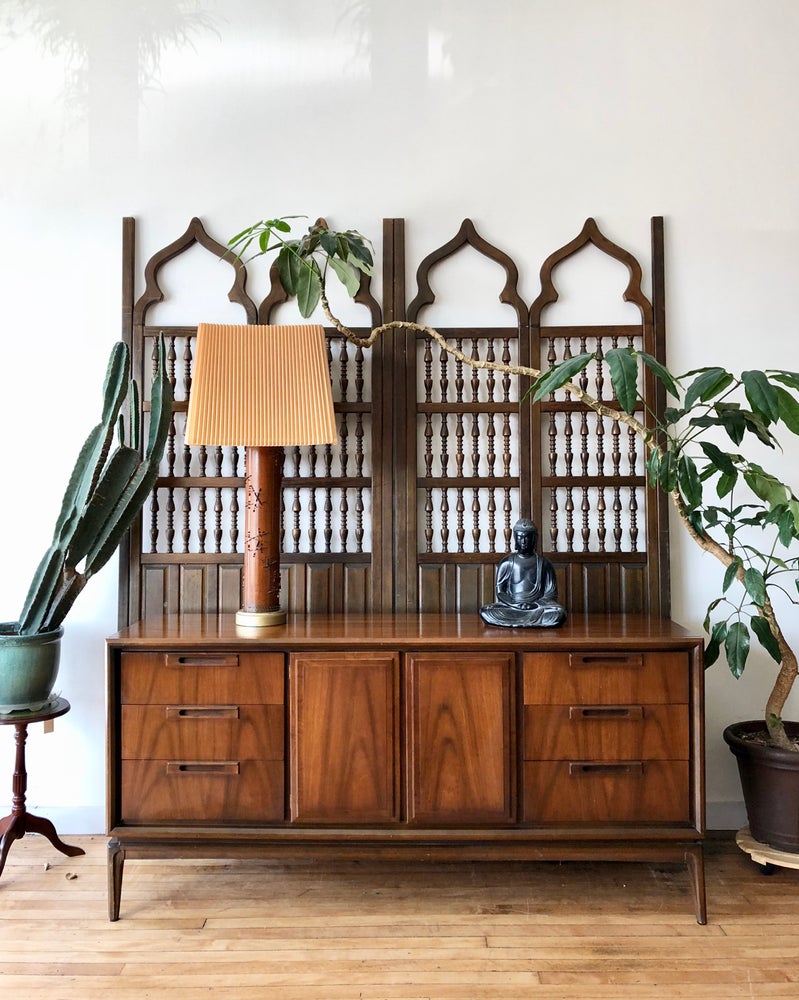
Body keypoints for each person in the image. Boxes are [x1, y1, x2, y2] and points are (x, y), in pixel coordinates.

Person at [479, 519, 566, 628]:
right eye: (520, 537)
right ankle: (530, 622)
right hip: (513, 607)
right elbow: (500, 592)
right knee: (486, 611)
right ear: (515, 539)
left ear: (534, 539)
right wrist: (516, 604)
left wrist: (534, 605)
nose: (523, 541)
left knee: (559, 613)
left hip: (536, 608)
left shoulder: (544, 563)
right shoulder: (507, 563)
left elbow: (551, 593)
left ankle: (523, 621)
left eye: (527, 537)